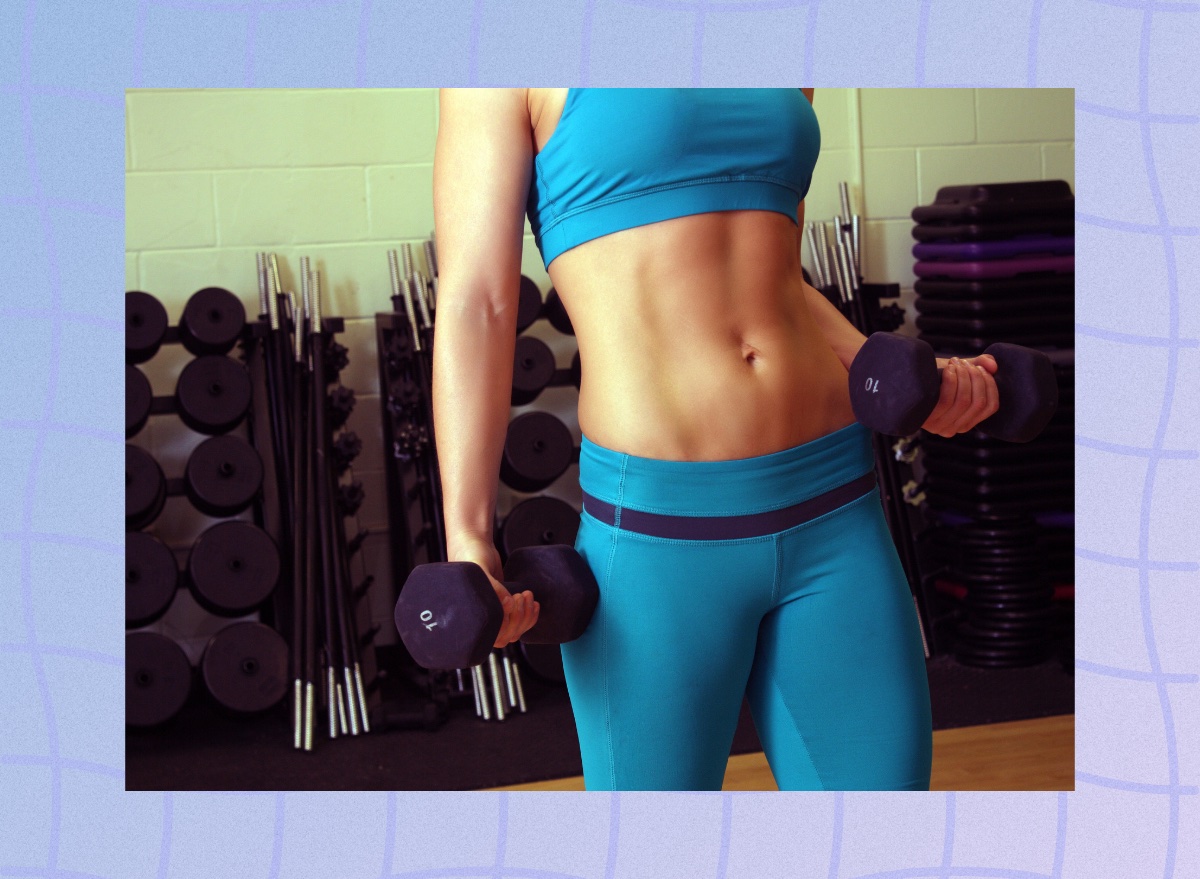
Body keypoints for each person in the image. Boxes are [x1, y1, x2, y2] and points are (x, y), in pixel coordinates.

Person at [431, 88, 999, 791]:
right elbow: (477, 302)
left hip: (836, 505)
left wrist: (909, 376)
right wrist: (467, 535)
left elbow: (776, 275)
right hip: (657, 539)